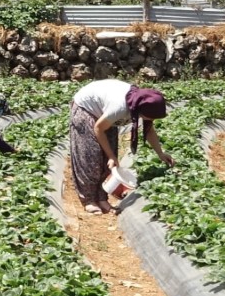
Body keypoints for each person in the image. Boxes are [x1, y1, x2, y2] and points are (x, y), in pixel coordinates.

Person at [69, 79, 174, 214]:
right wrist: (111, 156)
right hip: (86, 108)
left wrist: (160, 153)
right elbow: (98, 129)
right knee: (90, 156)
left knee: (110, 162)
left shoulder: (139, 105)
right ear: (140, 111)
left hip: (105, 113)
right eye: (150, 117)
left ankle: (102, 198)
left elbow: (149, 131)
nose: (151, 120)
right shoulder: (119, 107)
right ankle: (88, 199)